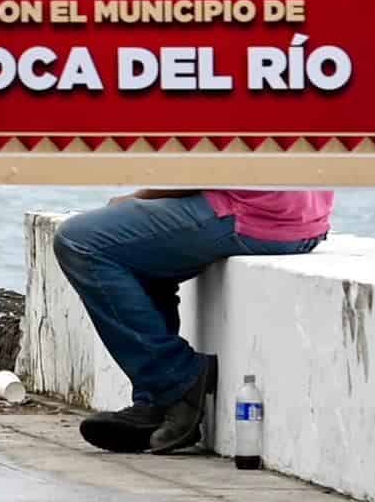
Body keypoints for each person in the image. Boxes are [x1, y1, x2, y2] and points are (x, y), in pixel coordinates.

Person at [55, 185, 334, 453]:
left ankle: (177, 379)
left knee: (79, 240)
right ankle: (156, 402)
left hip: (253, 213)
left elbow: (204, 164)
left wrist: (139, 198)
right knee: (133, 252)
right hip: (303, 219)